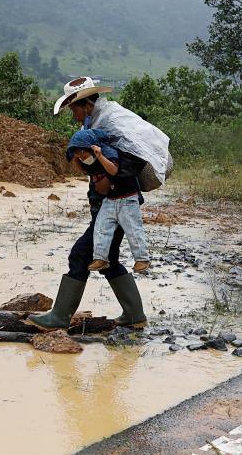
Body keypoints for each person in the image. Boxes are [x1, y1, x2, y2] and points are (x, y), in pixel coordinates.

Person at [27, 77, 170, 331]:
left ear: (86, 104)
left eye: (74, 109)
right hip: (111, 205)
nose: (73, 115)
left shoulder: (112, 124)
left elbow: (129, 162)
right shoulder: (99, 123)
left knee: (81, 254)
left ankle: (59, 317)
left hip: (119, 204)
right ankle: (135, 315)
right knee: (109, 259)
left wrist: (108, 181)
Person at [65, 129, 150, 274]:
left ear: (90, 147)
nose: (81, 157)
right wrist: (75, 159)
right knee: (101, 227)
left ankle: (142, 259)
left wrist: (100, 155)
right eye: (78, 155)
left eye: (82, 153)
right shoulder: (91, 161)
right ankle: (100, 258)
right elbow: (86, 171)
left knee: (133, 229)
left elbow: (113, 170)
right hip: (110, 200)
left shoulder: (108, 152)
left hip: (127, 198)